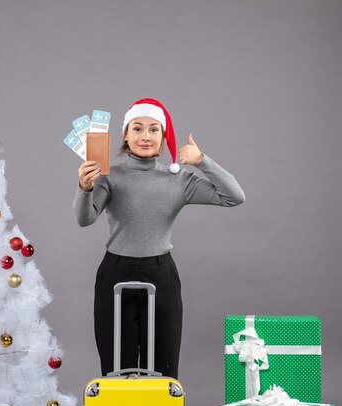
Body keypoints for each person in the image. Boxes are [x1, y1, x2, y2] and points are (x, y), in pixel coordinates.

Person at [73, 98, 245, 378]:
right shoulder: (108, 176)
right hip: (115, 274)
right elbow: (85, 218)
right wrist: (84, 187)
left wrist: (203, 161)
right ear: (126, 136)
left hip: (160, 274)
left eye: (154, 129)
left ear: (163, 138)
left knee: (163, 367)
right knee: (116, 367)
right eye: (137, 128)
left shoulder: (179, 180)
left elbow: (234, 196)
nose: (145, 136)